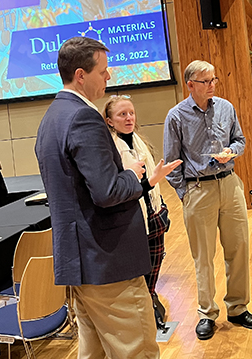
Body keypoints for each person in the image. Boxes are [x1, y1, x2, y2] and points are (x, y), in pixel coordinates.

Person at [35, 36, 180, 359]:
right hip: (108, 263)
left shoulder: (51, 118)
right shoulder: (83, 118)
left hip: (81, 266)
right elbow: (107, 192)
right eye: (103, 71)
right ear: (81, 76)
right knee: (137, 351)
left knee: (94, 353)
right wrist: (132, 173)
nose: (109, 77)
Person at [163, 60, 252, 341]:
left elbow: (241, 140)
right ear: (190, 84)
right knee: (203, 257)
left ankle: (238, 308)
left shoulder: (226, 107)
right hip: (198, 190)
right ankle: (206, 313)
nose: (211, 86)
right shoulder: (176, 116)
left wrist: (231, 150)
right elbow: (172, 161)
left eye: (214, 80)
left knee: (239, 248)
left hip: (229, 185)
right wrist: (186, 194)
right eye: (205, 81)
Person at [104, 95, 172, 331]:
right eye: (122, 114)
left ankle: (151, 302)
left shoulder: (139, 141)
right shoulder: (111, 149)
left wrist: (160, 202)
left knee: (155, 266)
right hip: (133, 219)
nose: (129, 118)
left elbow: (151, 183)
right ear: (110, 121)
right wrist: (151, 182)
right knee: (141, 271)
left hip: (154, 215)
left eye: (131, 113)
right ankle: (145, 314)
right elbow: (124, 189)